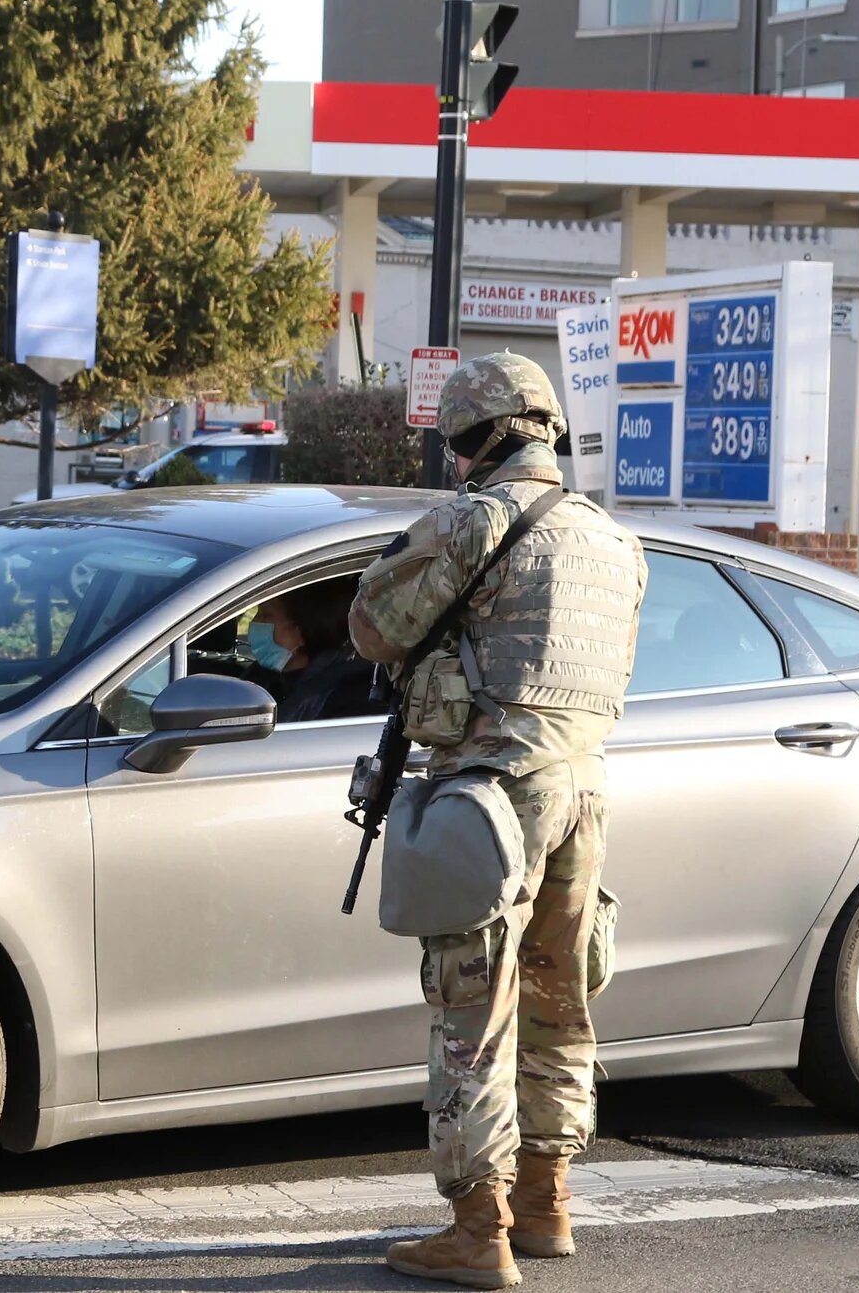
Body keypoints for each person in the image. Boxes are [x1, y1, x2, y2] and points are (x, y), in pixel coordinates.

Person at [348, 352, 647, 1287]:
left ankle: (478, 1230)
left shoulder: (476, 520)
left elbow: (375, 625)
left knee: (471, 1009)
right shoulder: (611, 540)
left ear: (474, 437)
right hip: (584, 790)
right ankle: (547, 1201)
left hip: (493, 792)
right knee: (563, 1000)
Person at [250, 578, 375, 725]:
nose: (254, 622)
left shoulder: (342, 695)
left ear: (301, 630)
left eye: (265, 616)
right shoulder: (260, 676)